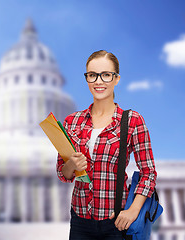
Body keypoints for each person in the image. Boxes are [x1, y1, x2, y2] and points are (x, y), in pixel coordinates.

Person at [56, 50, 157, 240]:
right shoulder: (72, 121)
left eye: (106, 75)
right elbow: (63, 173)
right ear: (86, 78)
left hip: (116, 222)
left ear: (116, 79)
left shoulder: (132, 121)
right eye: (92, 75)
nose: (98, 81)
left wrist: (133, 210)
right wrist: (72, 164)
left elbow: (149, 173)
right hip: (80, 220)